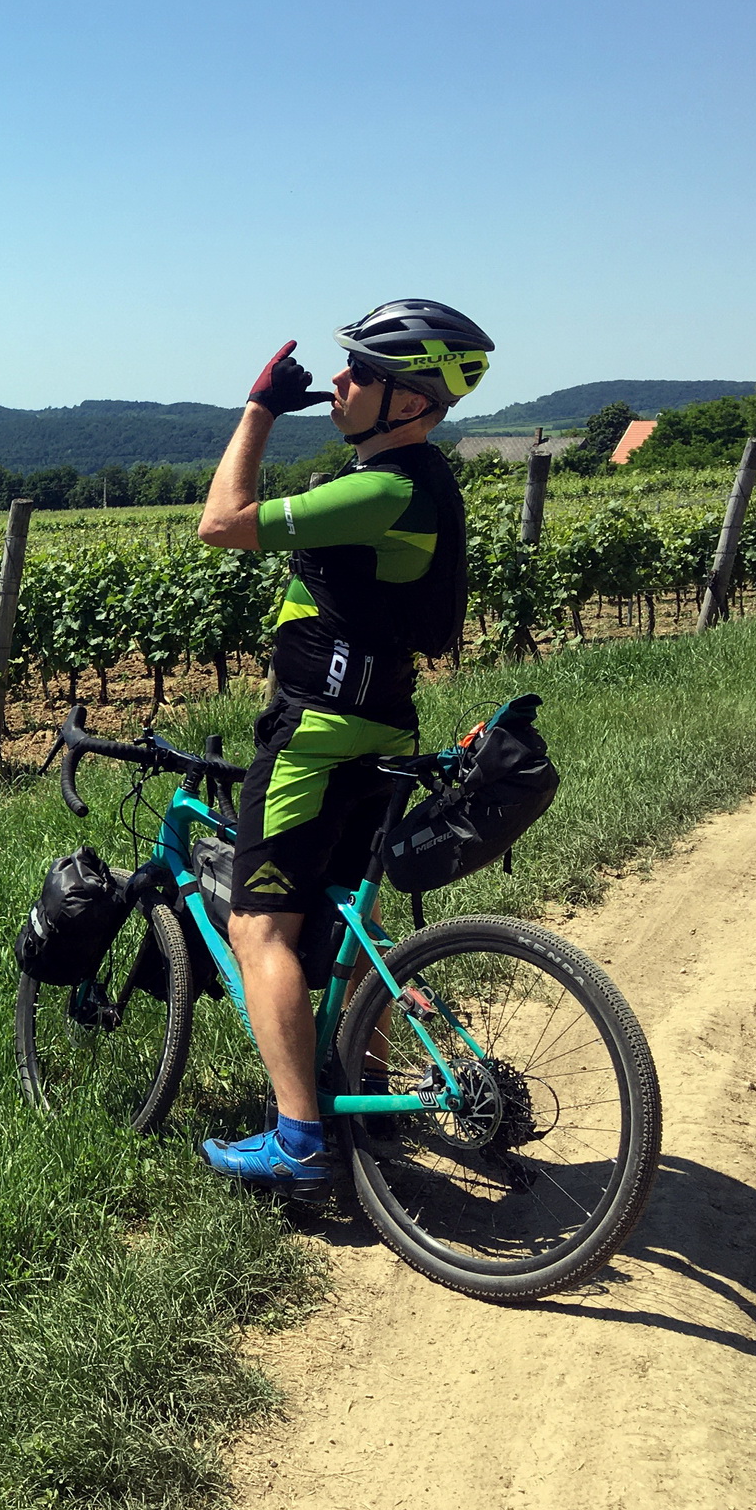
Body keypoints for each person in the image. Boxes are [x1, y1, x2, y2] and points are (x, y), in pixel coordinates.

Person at [191, 299, 495, 1193]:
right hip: (383, 728)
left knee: (258, 928)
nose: (341, 381)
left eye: (361, 371)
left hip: (315, 736)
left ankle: (298, 1140)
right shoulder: (425, 479)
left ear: (410, 401)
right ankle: (367, 1095)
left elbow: (221, 522)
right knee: (355, 924)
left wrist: (258, 411)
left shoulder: (383, 488)